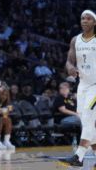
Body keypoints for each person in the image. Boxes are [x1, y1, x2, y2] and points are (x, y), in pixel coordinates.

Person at [60, 10, 96, 166]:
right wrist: (70, 68)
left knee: (88, 118)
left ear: (94, 22)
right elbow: (69, 61)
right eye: (83, 18)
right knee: (87, 122)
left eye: (89, 19)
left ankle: (78, 157)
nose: (85, 21)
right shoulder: (75, 40)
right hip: (82, 86)